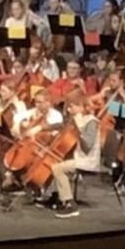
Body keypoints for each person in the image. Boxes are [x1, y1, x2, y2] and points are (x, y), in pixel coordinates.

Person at [46, 90, 100, 218]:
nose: (69, 110)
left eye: (71, 106)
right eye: (68, 106)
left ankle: (70, 205)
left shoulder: (91, 122)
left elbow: (87, 145)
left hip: (87, 160)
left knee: (58, 168)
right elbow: (61, 125)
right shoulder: (74, 119)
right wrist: (43, 128)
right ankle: (58, 196)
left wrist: (81, 128)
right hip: (77, 156)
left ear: (81, 106)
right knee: (53, 161)